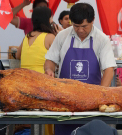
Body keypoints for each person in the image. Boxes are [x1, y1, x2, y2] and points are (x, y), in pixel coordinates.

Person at [44, 3, 116, 135]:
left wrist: (100, 95)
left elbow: (109, 69)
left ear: (92, 20)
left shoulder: (102, 39)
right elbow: (50, 61)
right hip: (65, 102)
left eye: (84, 26)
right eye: (76, 26)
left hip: (92, 104)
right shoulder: (62, 36)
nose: (80, 30)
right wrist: (49, 70)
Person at [16, 6, 55, 135]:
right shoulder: (50, 37)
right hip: (42, 85)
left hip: (24, 85)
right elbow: (61, 56)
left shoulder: (27, 36)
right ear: (48, 19)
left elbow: (17, 56)